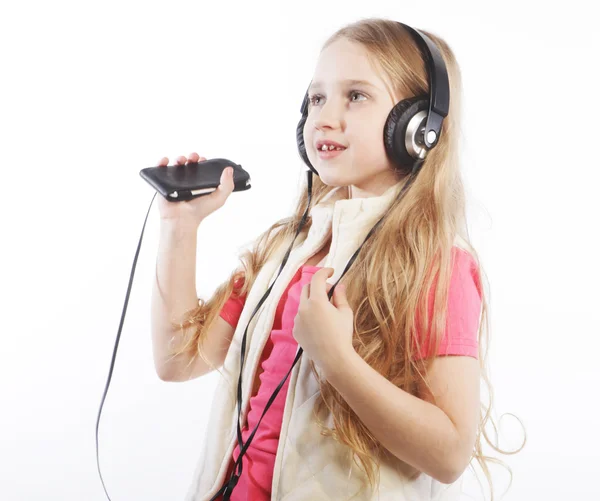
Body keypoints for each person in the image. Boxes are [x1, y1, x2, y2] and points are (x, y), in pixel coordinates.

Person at [151, 17, 524, 501]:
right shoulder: (284, 251)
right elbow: (179, 360)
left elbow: (450, 453)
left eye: (356, 96)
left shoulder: (435, 267)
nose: (324, 118)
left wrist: (337, 361)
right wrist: (180, 229)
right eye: (316, 98)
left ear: (417, 127)